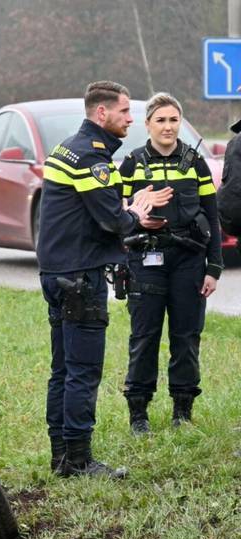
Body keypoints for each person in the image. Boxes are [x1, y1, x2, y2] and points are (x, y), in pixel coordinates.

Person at [36, 81, 172, 477]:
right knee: (83, 371)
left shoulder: (68, 148)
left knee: (63, 369)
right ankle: (79, 460)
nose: (131, 119)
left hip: (58, 272)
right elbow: (111, 220)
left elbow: (90, 209)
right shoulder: (90, 158)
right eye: (125, 111)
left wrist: (126, 209)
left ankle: (61, 456)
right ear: (102, 113)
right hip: (80, 278)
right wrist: (136, 213)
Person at [117, 93, 222, 433]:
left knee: (186, 338)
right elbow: (114, 214)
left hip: (189, 262)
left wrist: (214, 267)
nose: (168, 126)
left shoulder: (195, 163)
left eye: (173, 120)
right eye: (160, 120)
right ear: (147, 124)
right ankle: (138, 414)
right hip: (145, 261)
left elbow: (212, 216)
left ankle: (182, 412)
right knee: (144, 337)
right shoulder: (131, 163)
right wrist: (136, 216)